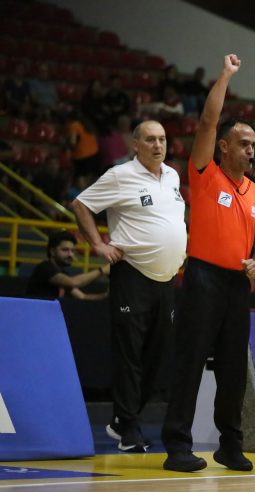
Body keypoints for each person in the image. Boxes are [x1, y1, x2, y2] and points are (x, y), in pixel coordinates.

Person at [161, 54, 255, 473]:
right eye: (244, 143)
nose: (251, 150)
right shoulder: (205, 173)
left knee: (233, 369)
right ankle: (177, 446)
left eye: (254, 145)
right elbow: (208, 122)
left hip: (237, 285)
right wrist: (225, 75)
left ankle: (230, 446)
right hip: (203, 278)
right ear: (224, 147)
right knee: (190, 363)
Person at [71, 120, 187, 453]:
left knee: (157, 356)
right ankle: (129, 425)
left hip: (167, 280)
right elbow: (81, 204)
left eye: (162, 139)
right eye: (150, 139)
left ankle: (125, 420)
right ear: (135, 144)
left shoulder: (173, 176)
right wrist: (98, 245)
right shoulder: (120, 175)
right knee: (130, 353)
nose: (158, 145)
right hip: (132, 275)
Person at [26, 230, 110, 300]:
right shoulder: (45, 268)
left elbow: (82, 296)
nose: (70, 255)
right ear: (52, 251)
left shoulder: (62, 273)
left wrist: (106, 295)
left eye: (72, 251)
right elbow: (73, 282)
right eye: (65, 250)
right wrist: (102, 271)